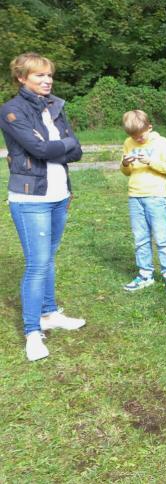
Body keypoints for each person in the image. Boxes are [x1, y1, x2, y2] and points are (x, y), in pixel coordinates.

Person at [0, 52, 85, 361]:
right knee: (37, 264)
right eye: (39, 75)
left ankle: (49, 313)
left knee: (48, 258)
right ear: (22, 78)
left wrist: (56, 148)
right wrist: (60, 146)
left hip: (59, 195)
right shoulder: (11, 110)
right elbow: (39, 148)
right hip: (31, 199)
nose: (47, 80)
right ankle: (32, 332)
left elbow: (77, 150)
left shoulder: (55, 107)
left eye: (49, 75)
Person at [120, 110, 166, 294]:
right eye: (133, 136)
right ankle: (145, 274)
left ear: (149, 127)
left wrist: (150, 161)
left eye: (141, 135)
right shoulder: (128, 143)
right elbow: (126, 172)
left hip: (155, 196)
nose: (137, 139)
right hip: (135, 196)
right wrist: (125, 163)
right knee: (140, 238)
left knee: (162, 237)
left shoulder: (161, 143)